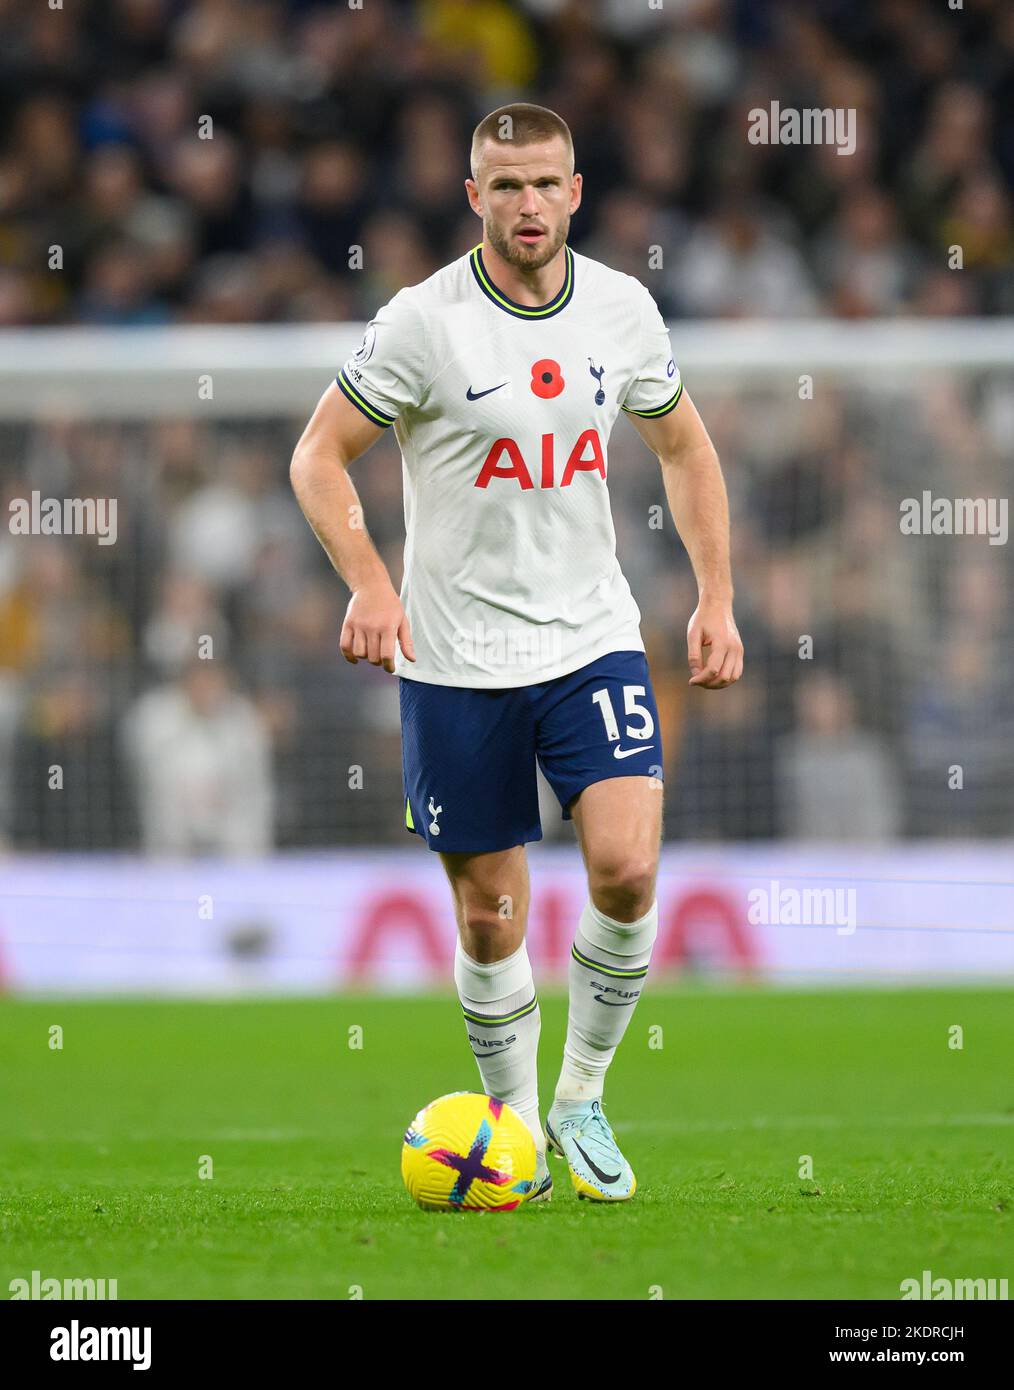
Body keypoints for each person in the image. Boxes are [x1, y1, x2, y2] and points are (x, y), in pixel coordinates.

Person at [290, 103, 743, 1202]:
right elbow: (318, 458)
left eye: (546, 185)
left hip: (592, 638)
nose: (527, 205)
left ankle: (580, 1095)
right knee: (491, 916)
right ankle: (513, 1126)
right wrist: (370, 585)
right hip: (455, 658)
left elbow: (686, 448)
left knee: (629, 869)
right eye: (506, 187)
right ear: (474, 197)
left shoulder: (624, 312)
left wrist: (716, 597)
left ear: (576, 192)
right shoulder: (422, 323)